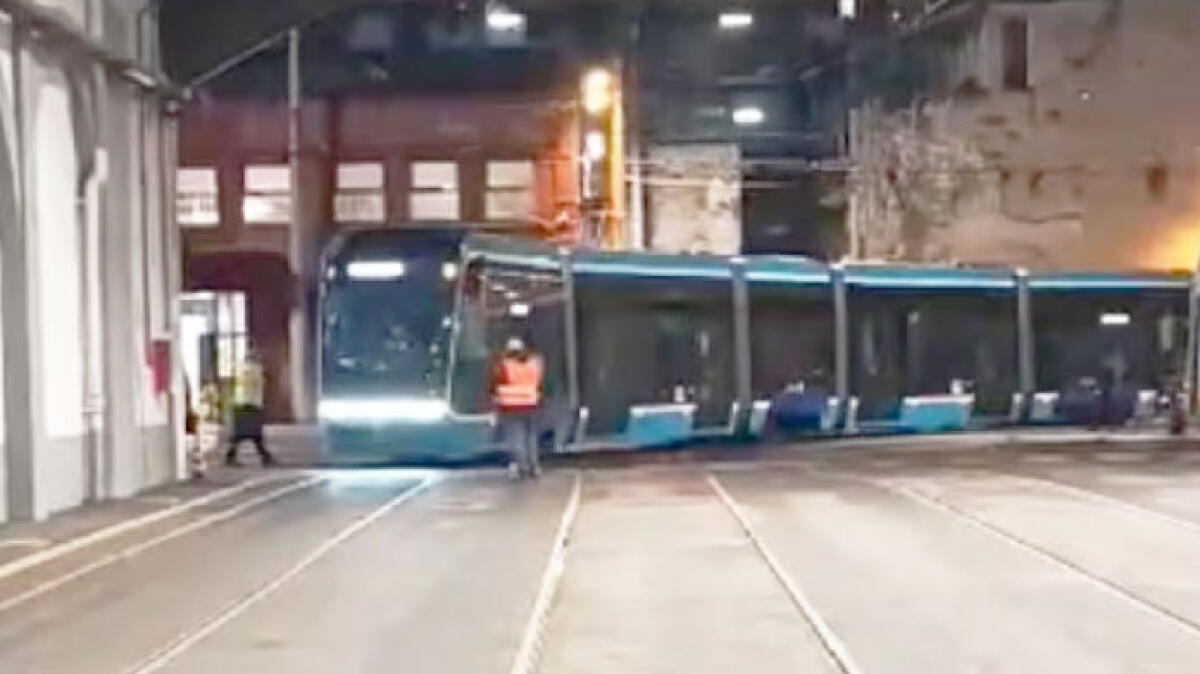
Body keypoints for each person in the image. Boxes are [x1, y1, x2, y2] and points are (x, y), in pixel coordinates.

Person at [491, 337, 544, 479]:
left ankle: (522, 466)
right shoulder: (534, 364)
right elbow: (540, 382)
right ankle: (535, 466)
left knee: (516, 438)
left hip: (510, 406)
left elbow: (495, 384)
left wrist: (494, 401)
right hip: (531, 404)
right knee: (531, 436)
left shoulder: (505, 365)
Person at [226, 345, 276, 467]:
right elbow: (266, 381)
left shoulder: (239, 369)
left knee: (242, 435)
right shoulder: (256, 369)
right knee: (255, 434)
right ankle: (265, 457)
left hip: (240, 404)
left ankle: (264, 457)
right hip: (252, 404)